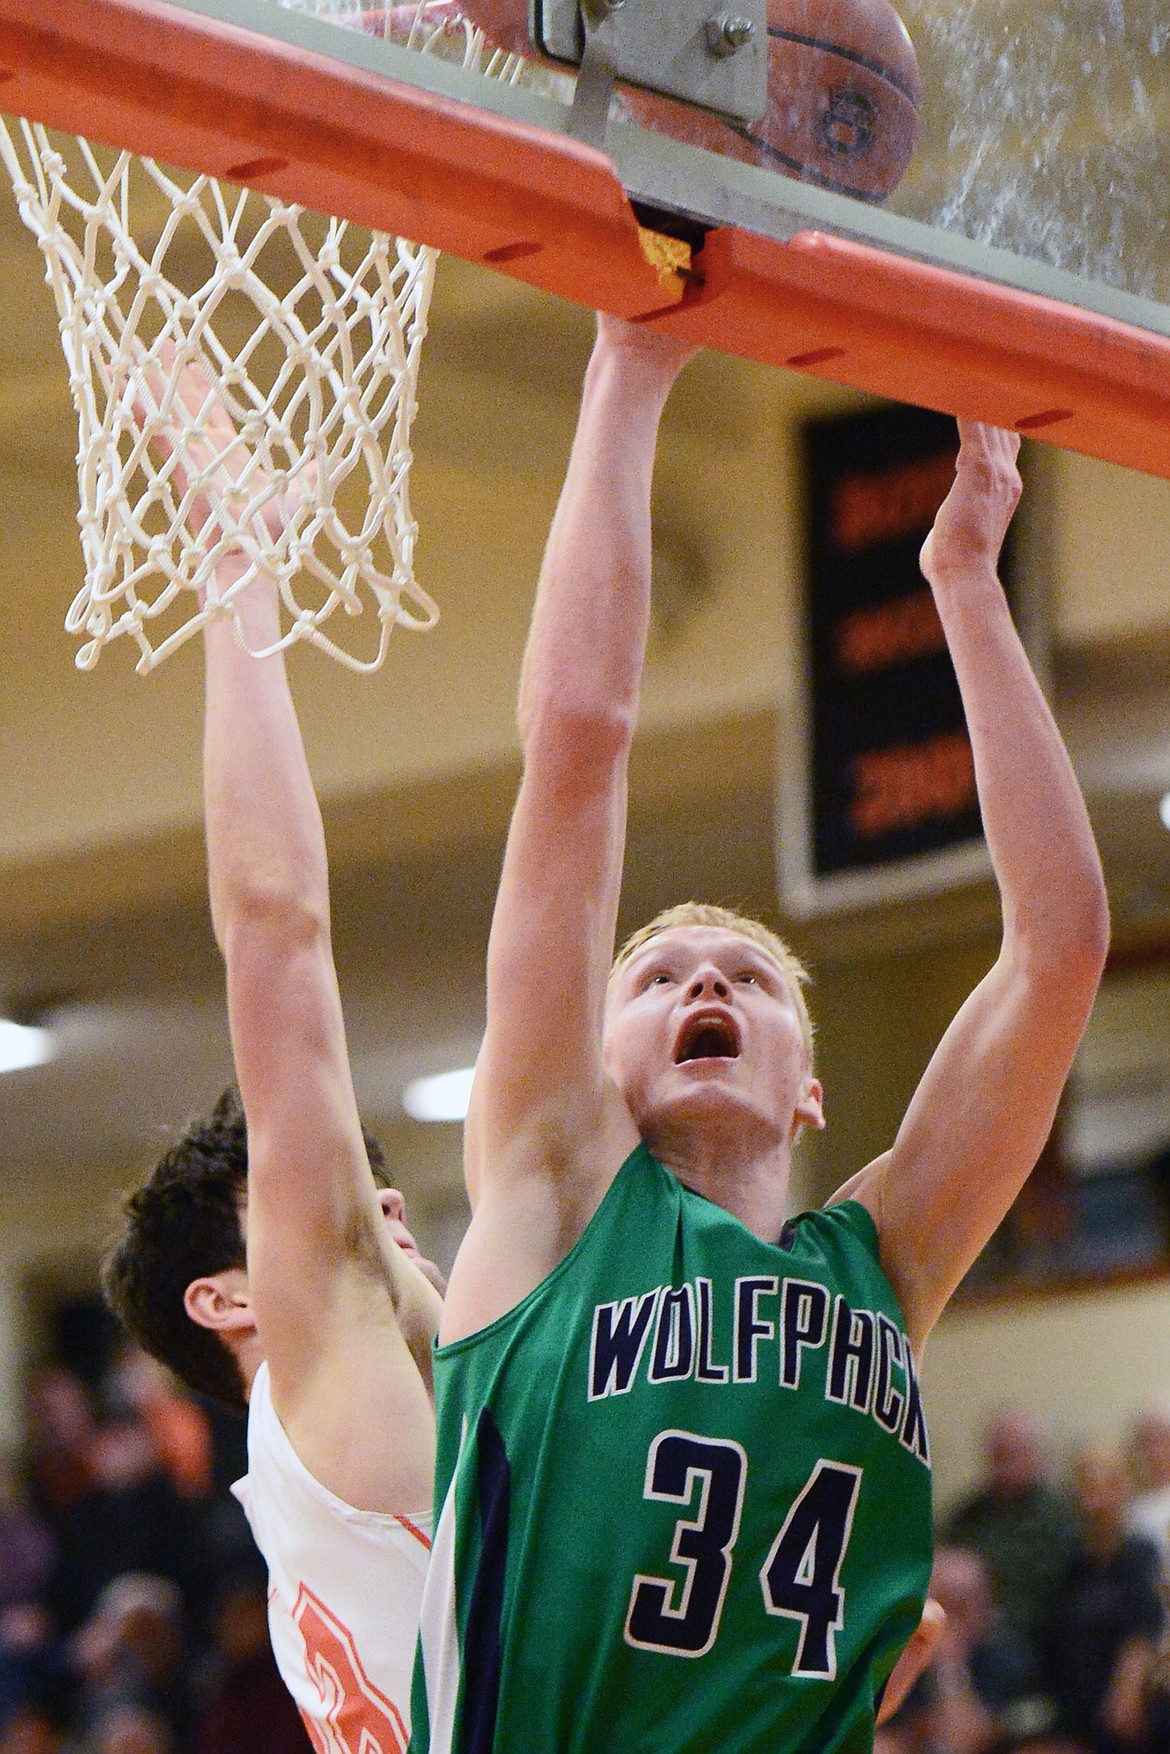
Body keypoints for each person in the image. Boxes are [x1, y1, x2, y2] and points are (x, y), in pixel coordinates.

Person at [411, 316, 1109, 1753]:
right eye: (656, 975)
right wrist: (630, 360)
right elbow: (578, 741)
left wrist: (967, 582)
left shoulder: (881, 1261)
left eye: (746, 976)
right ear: (593, 1063)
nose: (702, 983)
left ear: (806, 1090)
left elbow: (1058, 950)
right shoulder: (550, 1191)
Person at [101, 360, 443, 1754]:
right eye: (340, 1201)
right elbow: (275, 936)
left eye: (378, 1191)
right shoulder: (323, 1367)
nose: (385, 1216)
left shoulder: (342, 1485)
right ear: (233, 1294)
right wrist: (235, 565)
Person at [944, 1409, 1081, 1682]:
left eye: (1013, 1452)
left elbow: (1051, 1590)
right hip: (961, 1632)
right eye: (997, 1452)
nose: (1003, 1462)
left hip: (1027, 1637)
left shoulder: (1060, 1516)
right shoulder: (968, 1514)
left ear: (1036, 1454)